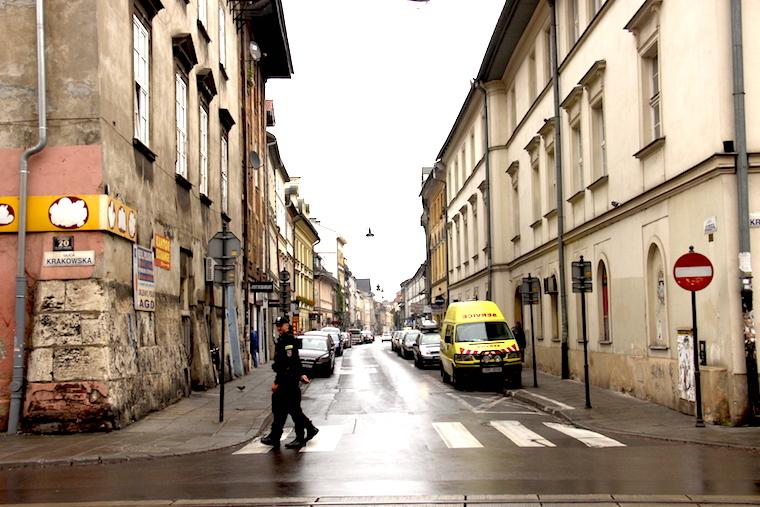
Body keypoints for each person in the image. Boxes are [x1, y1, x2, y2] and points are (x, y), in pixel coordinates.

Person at [260, 316, 319, 449]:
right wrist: (301, 374)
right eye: (277, 325)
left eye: (281, 325)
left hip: (288, 382)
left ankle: (301, 435)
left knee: (293, 410)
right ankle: (276, 436)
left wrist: (277, 381)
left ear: (287, 325)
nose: (278, 328)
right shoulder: (283, 339)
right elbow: (295, 362)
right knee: (279, 409)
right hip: (288, 380)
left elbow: (288, 364)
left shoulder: (288, 341)